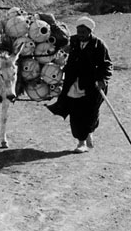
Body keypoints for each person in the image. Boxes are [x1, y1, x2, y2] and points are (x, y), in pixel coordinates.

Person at [46, 16, 113, 153]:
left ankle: (89, 133)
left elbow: (107, 65)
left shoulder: (99, 45)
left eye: (83, 32)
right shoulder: (74, 41)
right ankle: (81, 142)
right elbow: (63, 49)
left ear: (90, 31)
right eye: (78, 31)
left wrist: (102, 80)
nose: (80, 35)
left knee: (90, 113)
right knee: (75, 113)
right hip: (73, 83)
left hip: (92, 86)